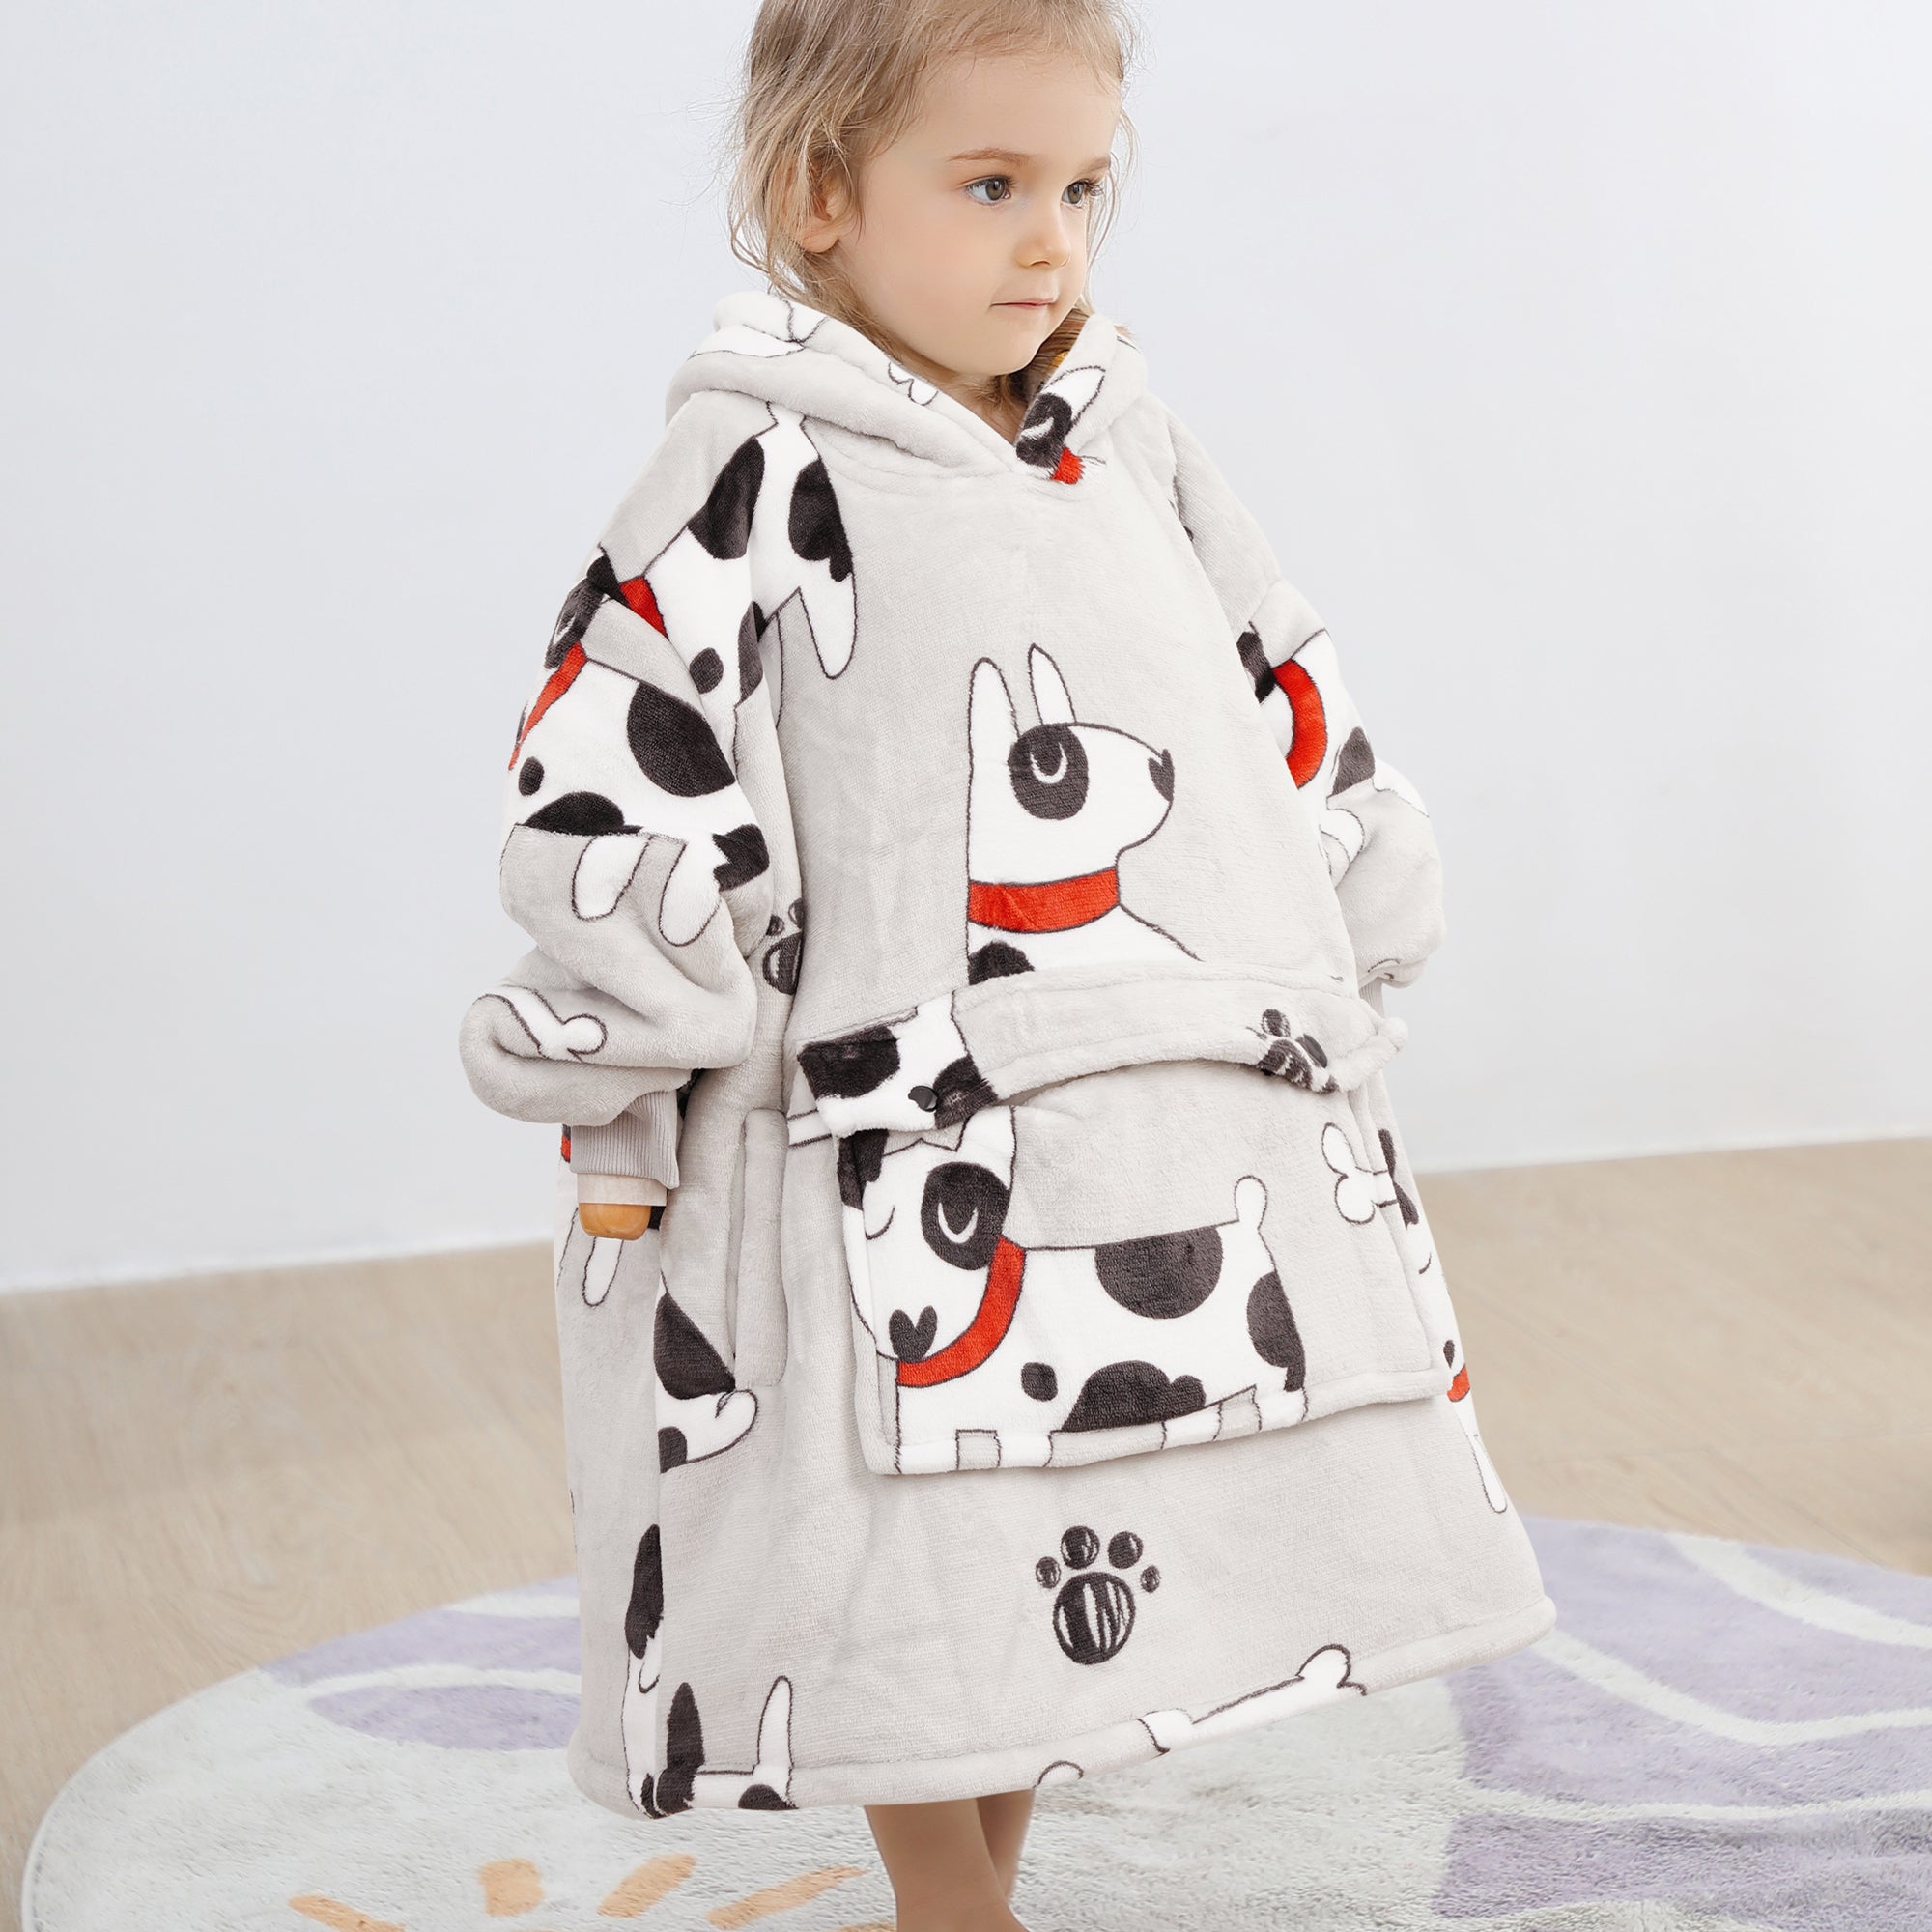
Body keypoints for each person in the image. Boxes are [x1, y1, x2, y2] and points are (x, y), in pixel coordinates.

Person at [458, 2, 1556, 1925]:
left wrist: (1352, 890)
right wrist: (636, 1039)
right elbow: (621, 752)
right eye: (989, 187)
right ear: (821, 192)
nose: (1052, 243)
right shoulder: (750, 470)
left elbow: (1269, 678)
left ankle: (983, 1882)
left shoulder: (1127, 448)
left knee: (1048, 1522)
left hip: (1147, 1078)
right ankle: (947, 1900)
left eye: (1079, 190)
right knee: (909, 1541)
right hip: (877, 1116)